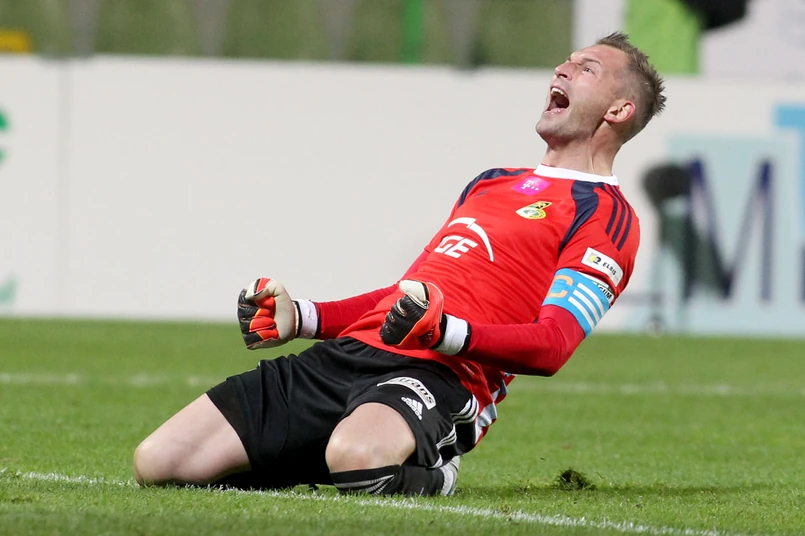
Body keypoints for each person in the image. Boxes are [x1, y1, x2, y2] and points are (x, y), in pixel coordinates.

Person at [132, 31, 666, 497]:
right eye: (567, 60)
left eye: (586, 68)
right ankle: (334, 450)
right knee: (160, 463)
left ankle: (435, 471)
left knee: (359, 458)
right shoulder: (490, 182)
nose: (562, 69)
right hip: (351, 353)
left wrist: (446, 333)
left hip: (441, 373)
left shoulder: (606, 215)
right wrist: (305, 317)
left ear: (618, 111)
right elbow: (407, 294)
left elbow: (552, 345)